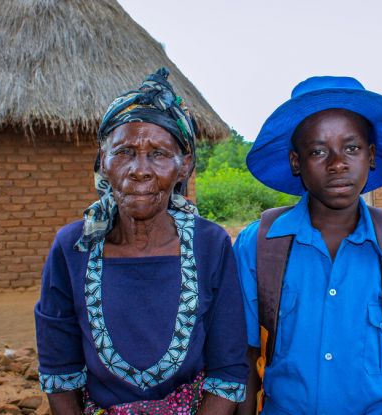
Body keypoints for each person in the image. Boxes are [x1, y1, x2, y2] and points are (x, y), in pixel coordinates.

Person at [233, 76, 382, 415]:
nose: (337, 163)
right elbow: (246, 357)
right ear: (296, 162)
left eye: (351, 148)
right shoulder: (259, 245)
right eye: (318, 151)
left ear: (372, 156)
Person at [34, 68, 248, 415]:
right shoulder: (73, 247)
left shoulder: (211, 245)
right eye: (124, 152)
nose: (140, 169)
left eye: (159, 154)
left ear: (184, 166)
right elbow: (60, 369)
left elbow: (228, 372)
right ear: (102, 163)